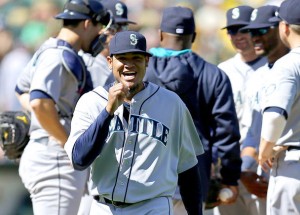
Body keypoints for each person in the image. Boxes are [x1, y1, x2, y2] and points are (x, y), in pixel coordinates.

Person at [64, 30, 204, 215]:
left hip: (153, 207)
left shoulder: (172, 104)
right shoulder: (91, 102)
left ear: (147, 61)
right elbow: (79, 160)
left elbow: (188, 168)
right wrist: (107, 112)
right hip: (103, 208)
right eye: (123, 58)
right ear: (110, 62)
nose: (129, 65)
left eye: (136, 58)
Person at [14, 0, 111, 214]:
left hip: (50, 151)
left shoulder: (51, 48)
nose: (100, 34)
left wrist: (49, 118)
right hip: (55, 157)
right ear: (87, 23)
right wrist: (65, 142)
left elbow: (23, 91)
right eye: (98, 27)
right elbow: (39, 102)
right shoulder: (57, 55)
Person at [143, 6, 241, 214]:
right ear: (194, 37)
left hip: (144, 175)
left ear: (160, 34)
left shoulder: (138, 72)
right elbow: (227, 133)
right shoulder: (214, 74)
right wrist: (229, 178)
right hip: (195, 175)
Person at [215, 5, 279, 215]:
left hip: (264, 161)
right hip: (229, 161)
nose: (238, 36)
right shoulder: (221, 71)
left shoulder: (275, 67)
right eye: (232, 31)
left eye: (244, 29)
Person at [258, 0, 300, 214]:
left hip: (293, 167)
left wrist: (265, 150)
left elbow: (275, 116)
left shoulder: (288, 64)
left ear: (284, 27)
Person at [83, 0, 136, 88]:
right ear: (100, 27)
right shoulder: (88, 63)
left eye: (124, 27)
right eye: (115, 27)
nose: (121, 32)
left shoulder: (124, 64)